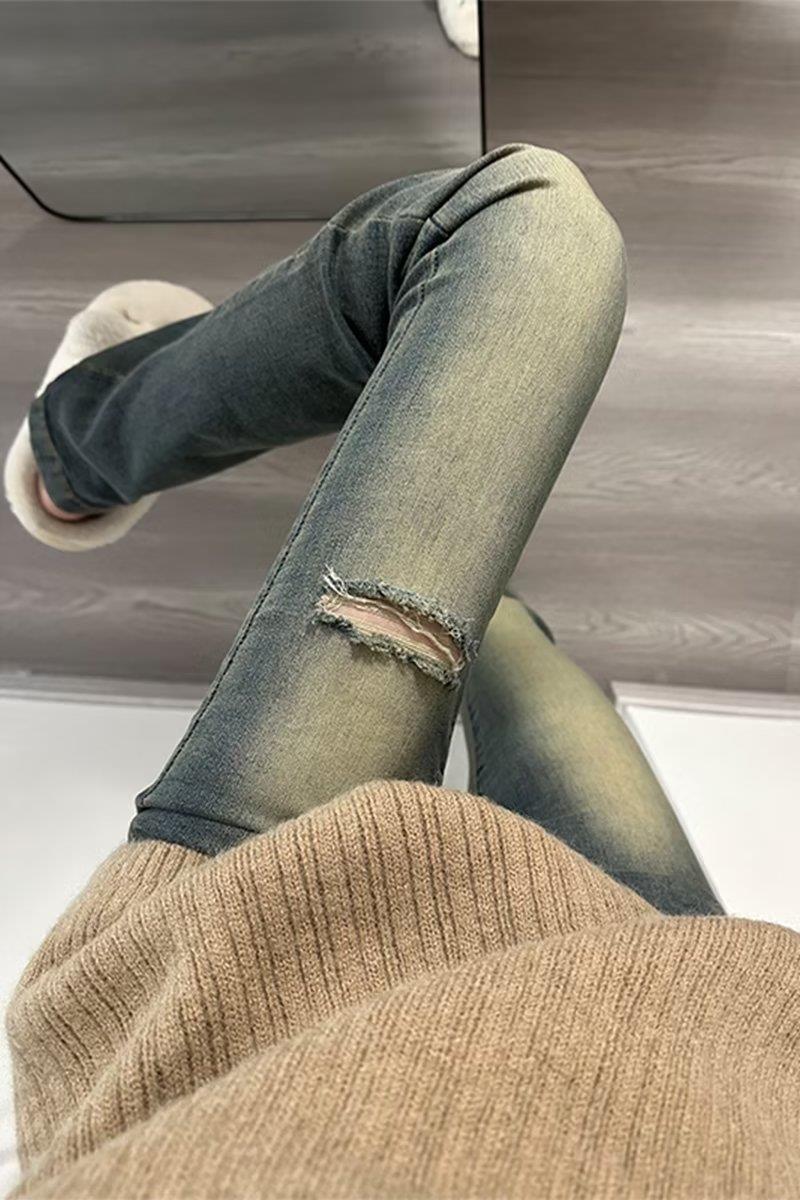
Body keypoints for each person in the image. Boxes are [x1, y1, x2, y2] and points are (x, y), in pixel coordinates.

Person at [4, 144, 798, 1199]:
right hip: (687, 998)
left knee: (524, 221)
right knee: (499, 622)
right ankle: (397, 470)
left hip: (253, 956)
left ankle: (77, 452)